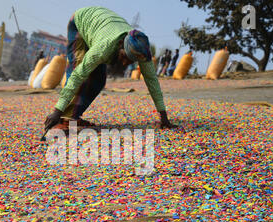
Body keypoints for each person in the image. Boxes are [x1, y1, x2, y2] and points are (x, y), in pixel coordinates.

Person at [44, 6, 177, 133]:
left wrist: (164, 117)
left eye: (131, 61)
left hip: (103, 27)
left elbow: (152, 81)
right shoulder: (104, 47)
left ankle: (73, 116)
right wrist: (57, 111)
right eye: (125, 57)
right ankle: (63, 119)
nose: (126, 63)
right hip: (81, 21)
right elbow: (78, 75)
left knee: (99, 80)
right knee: (78, 67)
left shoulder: (142, 50)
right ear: (120, 46)